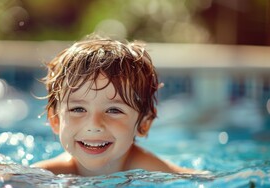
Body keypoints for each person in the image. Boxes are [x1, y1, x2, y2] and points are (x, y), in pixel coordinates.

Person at [31, 34, 197, 176]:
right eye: (78, 109)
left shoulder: (153, 171)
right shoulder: (46, 174)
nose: (94, 125)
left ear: (144, 123)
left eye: (114, 110)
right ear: (55, 120)